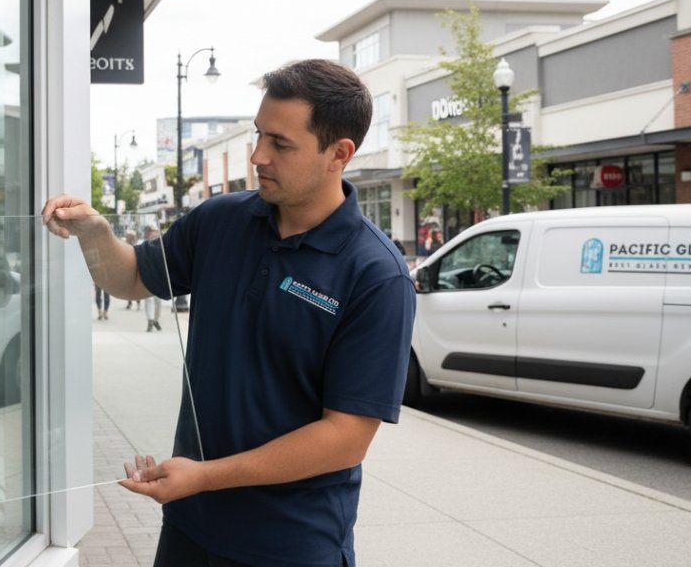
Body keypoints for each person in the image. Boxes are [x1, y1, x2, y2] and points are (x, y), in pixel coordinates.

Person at [43, 59, 415, 566]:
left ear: (339, 154)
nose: (258, 155)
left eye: (280, 144)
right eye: (259, 135)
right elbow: (128, 279)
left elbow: (344, 439)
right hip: (190, 529)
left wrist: (205, 475)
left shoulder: (376, 273)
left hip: (290, 546)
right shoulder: (220, 221)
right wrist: (94, 232)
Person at [140, 226, 163, 332]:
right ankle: (150, 320)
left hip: (159, 278)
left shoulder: (162, 247)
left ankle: (155, 320)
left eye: (156, 234)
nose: (154, 236)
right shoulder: (143, 246)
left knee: (158, 301)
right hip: (148, 277)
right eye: (152, 234)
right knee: (149, 300)